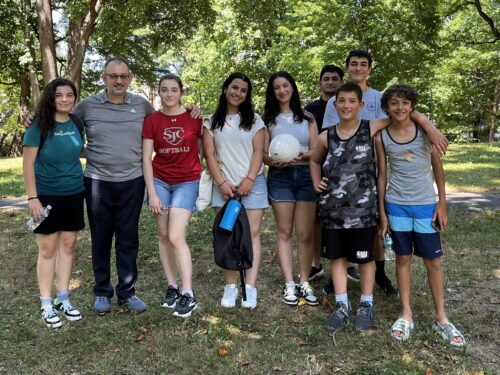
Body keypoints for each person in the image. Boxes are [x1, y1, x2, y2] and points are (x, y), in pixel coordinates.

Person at [310, 82, 447, 332]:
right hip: (334, 211)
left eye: (353, 101)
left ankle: (366, 303)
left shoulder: (371, 127)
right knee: (339, 258)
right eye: (342, 101)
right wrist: (315, 179)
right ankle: (342, 305)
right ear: (335, 104)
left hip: (365, 212)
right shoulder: (328, 135)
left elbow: (404, 111)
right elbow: (315, 158)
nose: (347, 105)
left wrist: (428, 125)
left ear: (361, 105)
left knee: (367, 258)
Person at [376, 85, 466, 346]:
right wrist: (382, 212)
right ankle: (406, 313)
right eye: (394, 103)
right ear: (387, 107)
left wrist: (442, 204)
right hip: (397, 206)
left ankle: (442, 318)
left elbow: (438, 167)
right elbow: (382, 175)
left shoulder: (426, 132)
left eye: (405, 102)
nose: (400, 108)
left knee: (433, 262)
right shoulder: (381, 136)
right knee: (402, 258)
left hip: (426, 205)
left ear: (412, 106)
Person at [321, 50, 392, 296]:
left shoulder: (381, 98)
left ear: (370, 69)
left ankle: (378, 276)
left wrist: (427, 125)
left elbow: (401, 111)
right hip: (340, 176)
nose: (359, 68)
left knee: (372, 229)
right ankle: (339, 278)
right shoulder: (335, 103)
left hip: (370, 169)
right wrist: (320, 174)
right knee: (342, 231)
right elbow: (328, 141)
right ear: (347, 67)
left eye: (364, 64)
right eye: (354, 64)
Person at [202, 72, 268, 309]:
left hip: (253, 184)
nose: (238, 93)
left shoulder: (255, 120)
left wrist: (250, 179)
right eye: (234, 87)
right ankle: (231, 286)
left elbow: (259, 151)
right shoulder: (211, 122)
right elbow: (209, 155)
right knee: (226, 234)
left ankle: (249, 286)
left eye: (243, 90)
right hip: (224, 186)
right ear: (225, 88)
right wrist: (221, 183)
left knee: (252, 233)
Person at [23, 78, 85, 328]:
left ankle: (63, 299)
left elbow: (77, 152)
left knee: (67, 247)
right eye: (59, 95)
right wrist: (32, 198)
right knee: (48, 250)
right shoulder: (38, 126)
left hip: (74, 193)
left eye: (69, 95)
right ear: (51, 98)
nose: (65, 99)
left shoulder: (76, 122)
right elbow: (28, 164)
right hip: (46, 196)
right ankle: (46, 303)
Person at [142, 74, 202, 318]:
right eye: (164, 90)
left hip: (187, 181)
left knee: (177, 235)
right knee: (164, 235)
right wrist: (152, 193)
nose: (169, 94)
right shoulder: (152, 120)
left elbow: (204, 150)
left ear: (181, 92)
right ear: (159, 93)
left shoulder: (194, 118)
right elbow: (146, 158)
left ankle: (188, 292)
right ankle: (172, 286)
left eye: (174, 90)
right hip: (160, 181)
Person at [263, 71, 319, 307]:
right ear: (272, 91)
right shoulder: (268, 119)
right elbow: (264, 155)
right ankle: (289, 283)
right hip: (280, 177)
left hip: (306, 175)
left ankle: (304, 281)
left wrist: (303, 155)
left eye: (285, 85)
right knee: (285, 232)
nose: (282, 90)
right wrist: (276, 161)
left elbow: (317, 150)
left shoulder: (308, 118)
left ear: (292, 88)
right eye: (277, 87)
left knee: (305, 234)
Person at [304, 65, 362, 285]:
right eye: (326, 79)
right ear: (320, 82)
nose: (330, 82)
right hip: (322, 171)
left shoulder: (347, 105)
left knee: (349, 220)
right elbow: (313, 145)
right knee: (319, 221)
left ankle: (349, 265)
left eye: (334, 79)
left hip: (348, 173)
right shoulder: (310, 110)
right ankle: (316, 264)